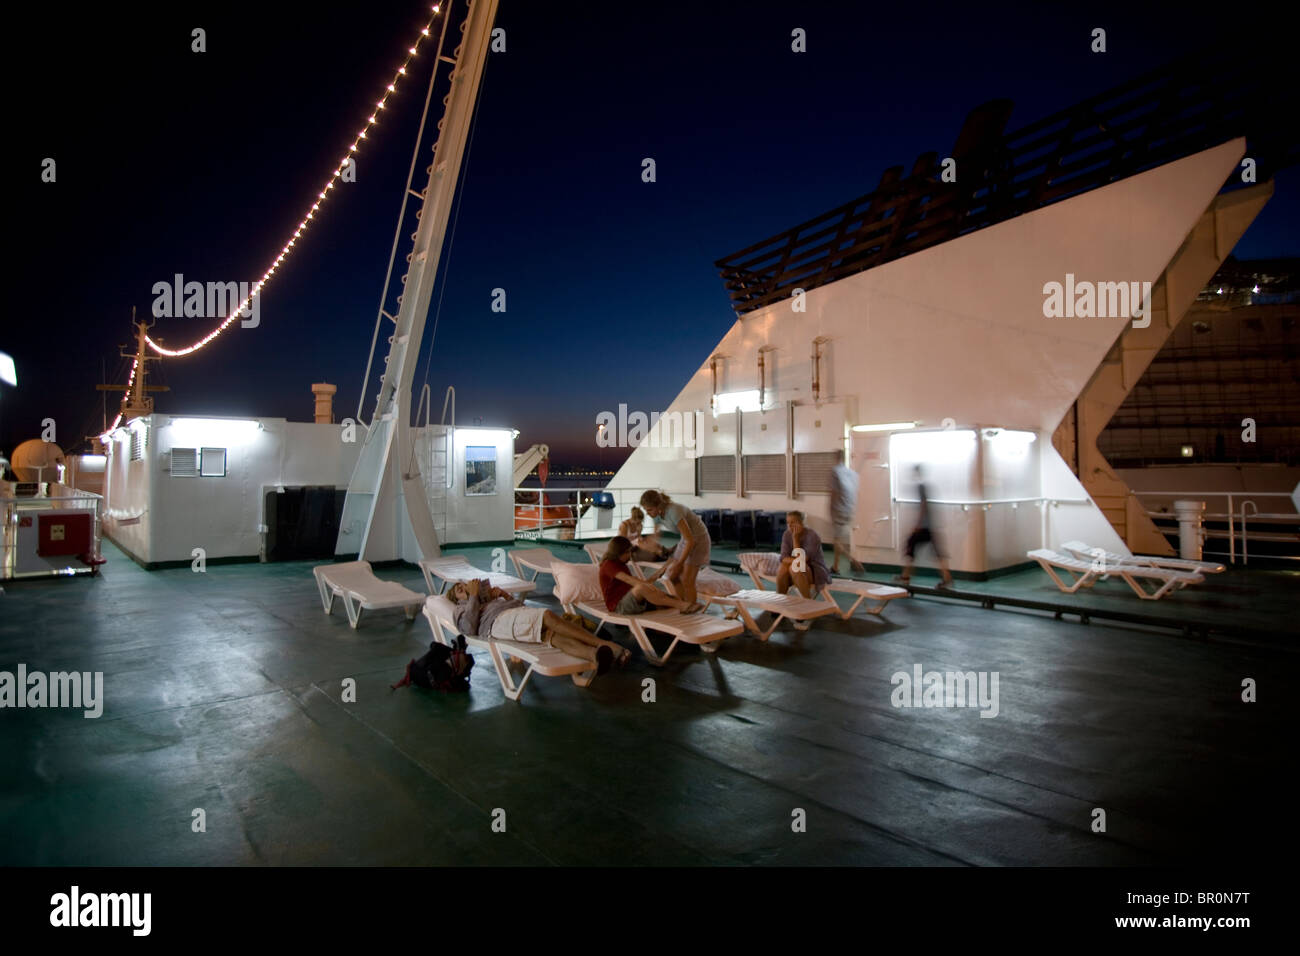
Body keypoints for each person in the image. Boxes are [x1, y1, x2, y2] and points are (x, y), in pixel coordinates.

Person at [448, 578, 630, 672]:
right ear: (455, 599)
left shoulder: (486, 600)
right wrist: (472, 596)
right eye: (459, 589)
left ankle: (595, 656)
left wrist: (505, 595)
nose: (464, 587)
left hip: (512, 617)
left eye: (464, 585)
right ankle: (605, 645)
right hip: (498, 623)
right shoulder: (460, 609)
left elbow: (521, 607)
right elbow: (469, 629)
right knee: (548, 616)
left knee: (553, 636)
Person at [639, 489, 711, 608]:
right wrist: (647, 545)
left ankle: (691, 608)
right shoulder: (656, 514)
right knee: (673, 576)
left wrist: (679, 563)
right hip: (686, 539)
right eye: (645, 510)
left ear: (658, 506)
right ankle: (683, 604)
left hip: (699, 539)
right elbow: (655, 537)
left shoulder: (674, 511)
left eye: (649, 510)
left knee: (687, 580)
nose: (647, 513)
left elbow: (691, 541)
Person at [599, 536, 702, 615]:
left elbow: (641, 584)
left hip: (635, 600)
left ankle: (690, 617)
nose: (629, 556)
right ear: (618, 553)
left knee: (673, 599)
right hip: (619, 606)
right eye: (627, 552)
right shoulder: (608, 565)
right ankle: (682, 606)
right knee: (642, 588)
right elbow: (632, 581)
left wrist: (663, 569)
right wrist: (654, 590)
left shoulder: (621, 564)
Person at [899, 465, 953, 587]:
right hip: (931, 526)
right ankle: (947, 578)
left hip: (924, 526)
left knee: (910, 547)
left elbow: (924, 505)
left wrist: (918, 524)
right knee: (937, 553)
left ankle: (905, 576)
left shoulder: (920, 486)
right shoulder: (926, 486)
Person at [829, 449, 865, 575]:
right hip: (850, 509)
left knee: (837, 541)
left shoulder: (835, 472)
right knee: (839, 539)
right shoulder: (853, 473)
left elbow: (833, 493)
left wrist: (830, 510)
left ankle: (854, 561)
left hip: (838, 510)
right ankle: (835, 566)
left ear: (836, 457)